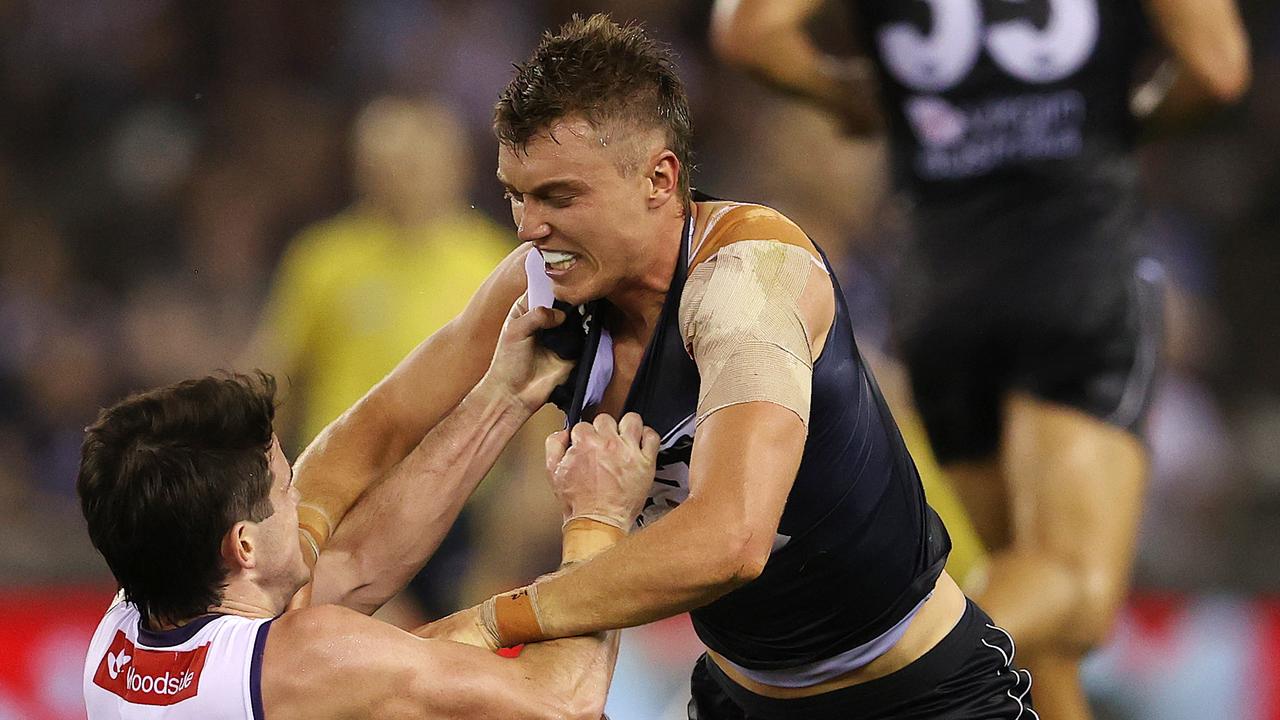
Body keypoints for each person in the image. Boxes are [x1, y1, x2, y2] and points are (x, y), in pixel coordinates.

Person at [305, 14, 1034, 720]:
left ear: (659, 179)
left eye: (560, 196)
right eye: (516, 195)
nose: (529, 228)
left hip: (918, 695)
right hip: (740, 694)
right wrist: (285, 557)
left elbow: (732, 541)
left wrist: (498, 621)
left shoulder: (747, 281)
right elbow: (376, 430)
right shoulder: (541, 283)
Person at [710, 1, 1250, 718]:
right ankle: (851, 681)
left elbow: (749, 29)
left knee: (1035, 628)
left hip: (942, 280)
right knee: (1075, 591)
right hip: (1076, 249)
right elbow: (1217, 67)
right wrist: (1125, 118)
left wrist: (859, 101)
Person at [78, 295, 659, 719]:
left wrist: (505, 396)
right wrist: (599, 521)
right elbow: (563, 703)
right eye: (284, 491)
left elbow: (357, 563)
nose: (299, 498)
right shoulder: (299, 662)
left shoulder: (127, 624)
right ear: (243, 545)